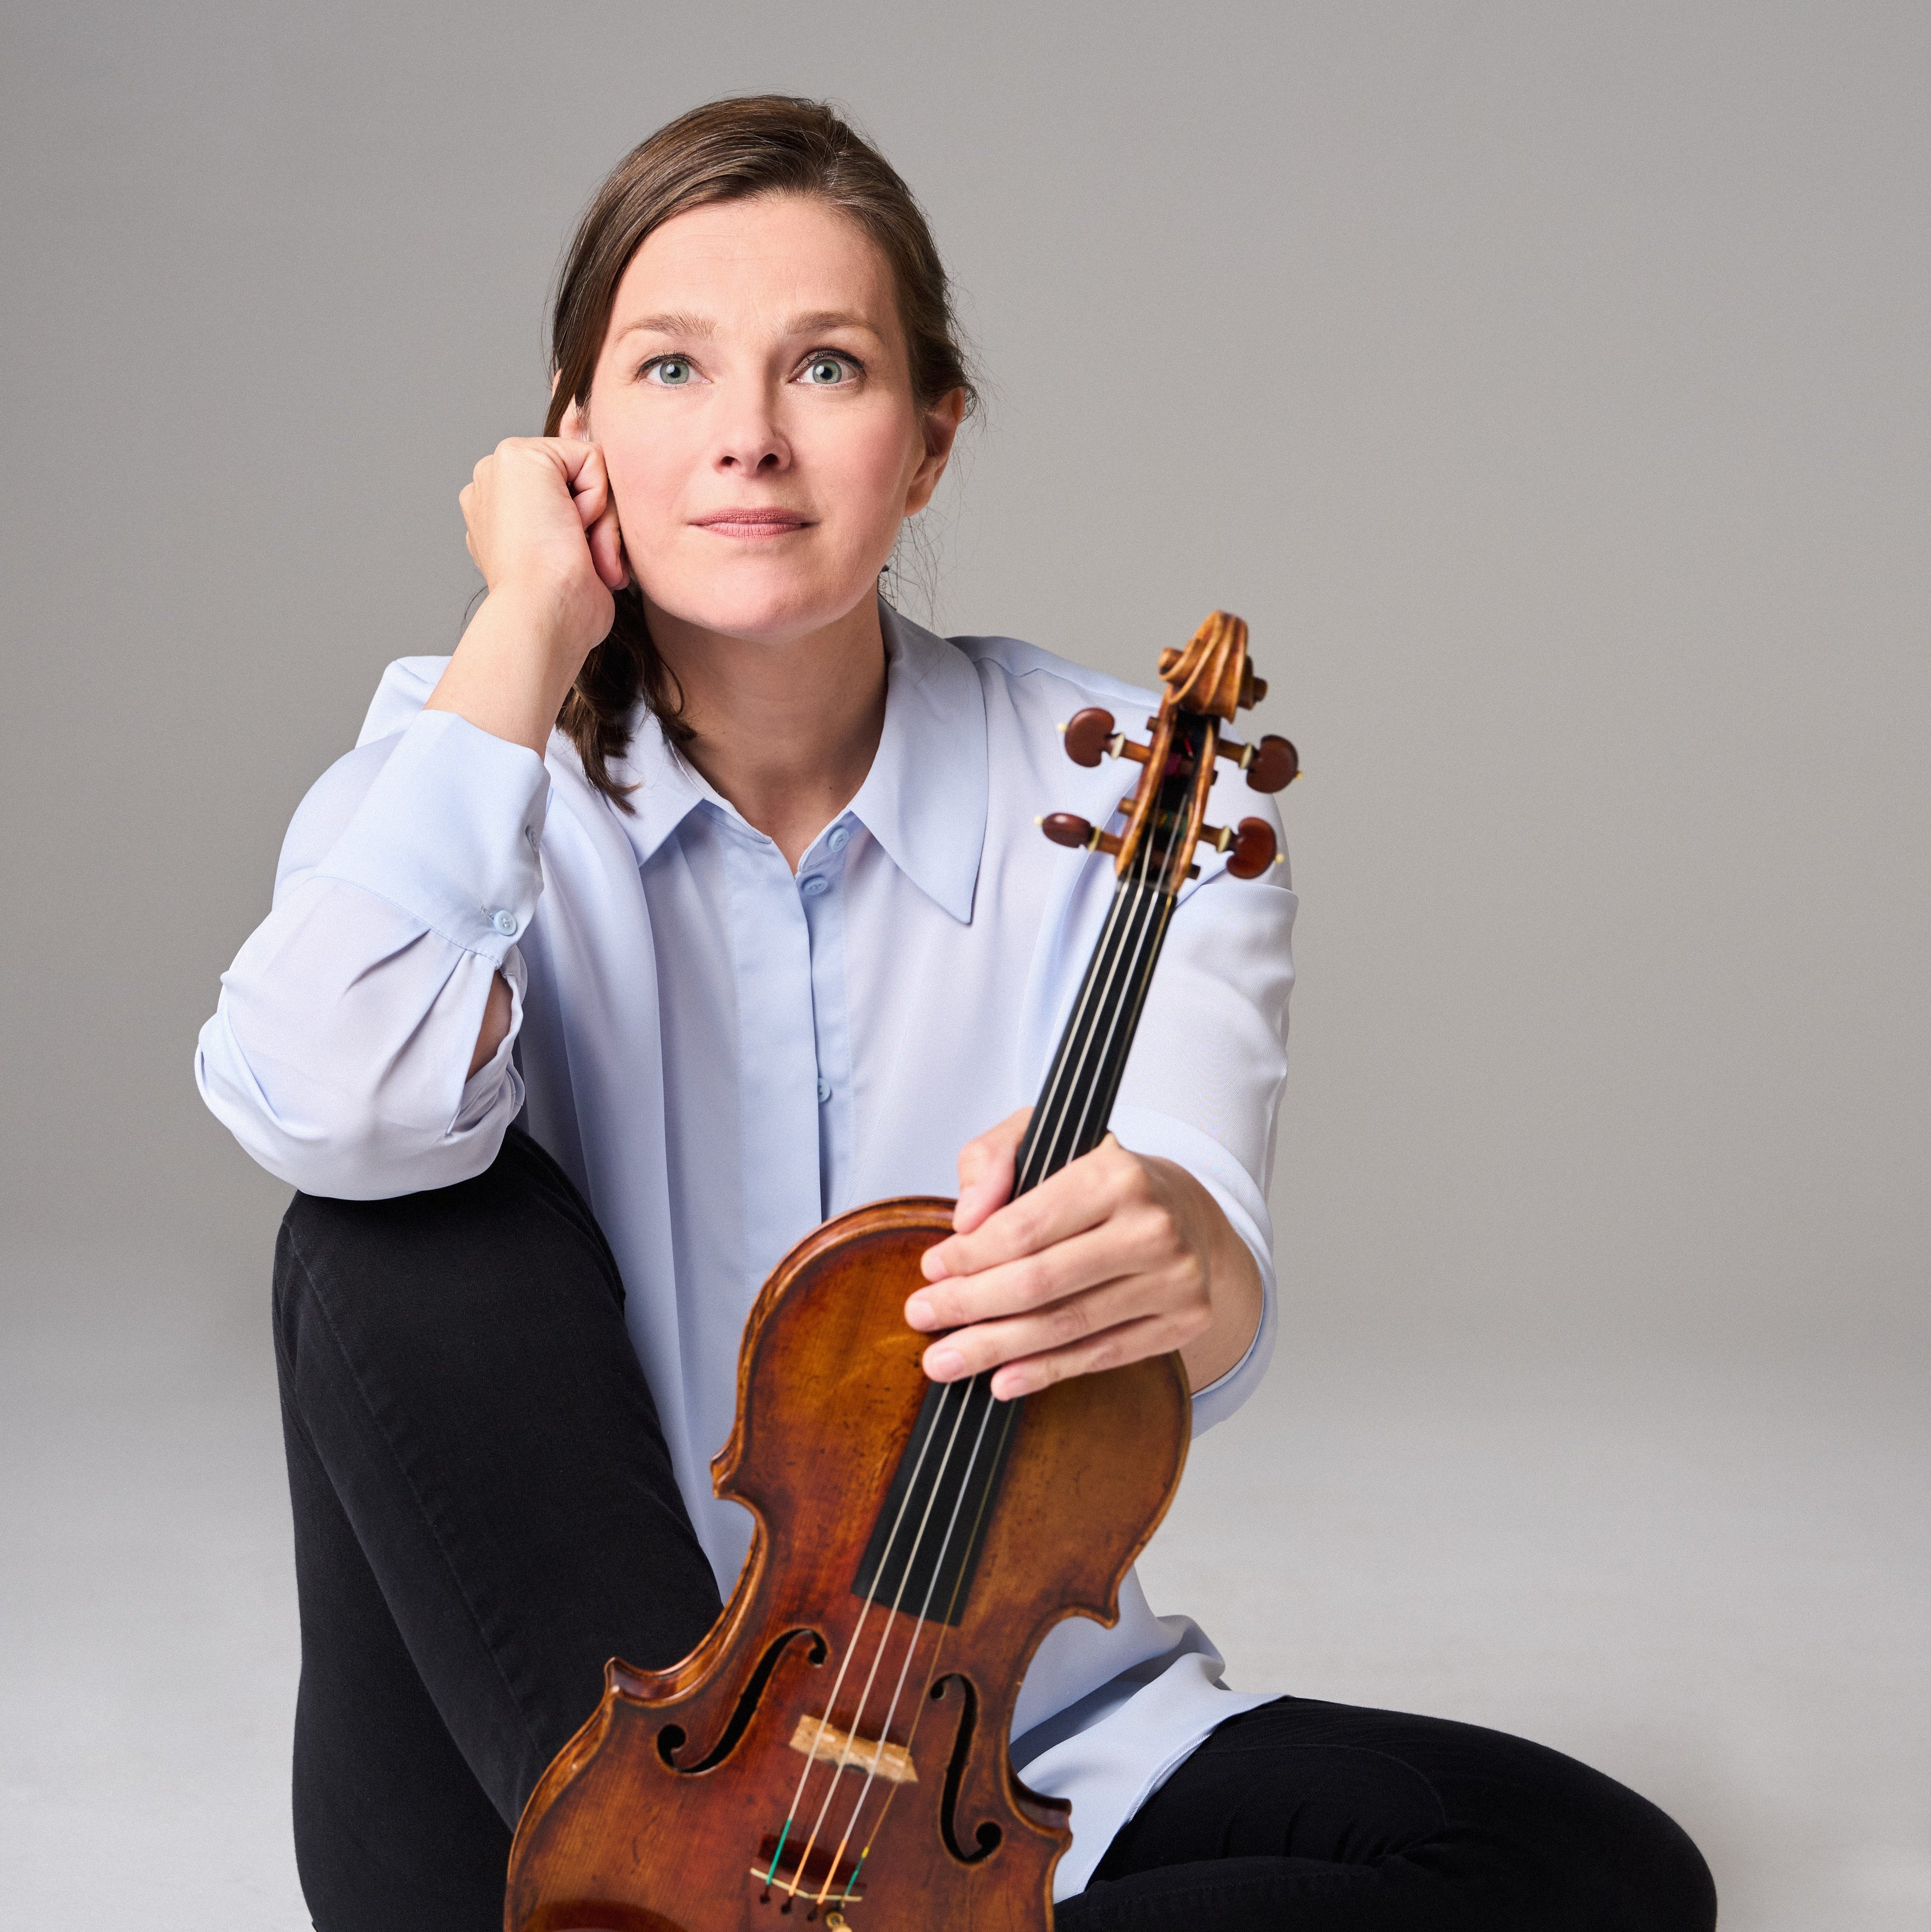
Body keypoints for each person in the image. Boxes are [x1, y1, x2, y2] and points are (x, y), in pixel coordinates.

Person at [196, 95, 1715, 1932]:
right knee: (403, 1218)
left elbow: (1201, 1301)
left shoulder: (1165, 803)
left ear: (928, 444)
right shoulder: (457, 752)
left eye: (826, 368)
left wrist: (1163, 1250)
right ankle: (695, 1897)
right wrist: (525, 621)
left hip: (980, 1748)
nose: (749, 439)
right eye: (671, 371)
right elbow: (325, 1105)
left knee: (1595, 1868)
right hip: (554, 1783)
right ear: (573, 437)